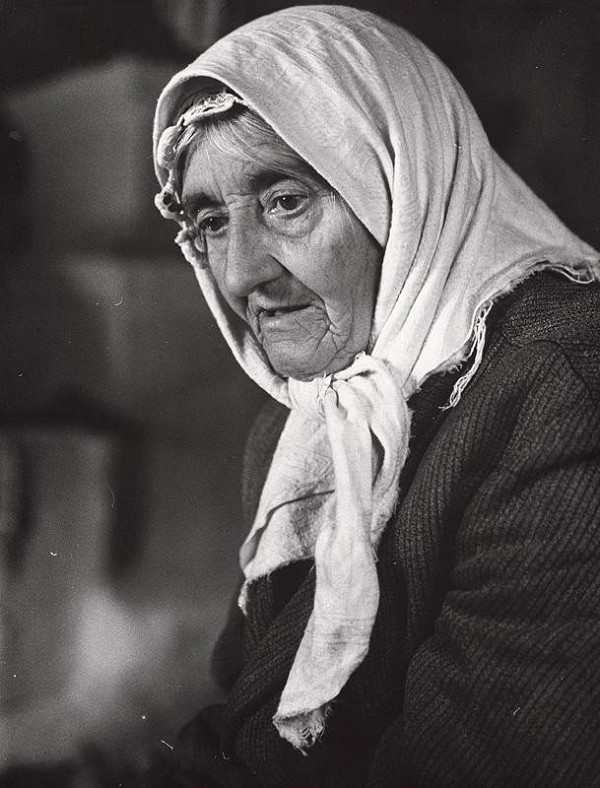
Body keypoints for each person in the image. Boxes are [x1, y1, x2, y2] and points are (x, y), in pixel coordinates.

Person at [148, 6, 600, 786]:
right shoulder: (301, 427)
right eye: (211, 220)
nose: (241, 273)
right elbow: (245, 721)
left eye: (286, 201)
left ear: (402, 181)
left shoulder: (558, 393)